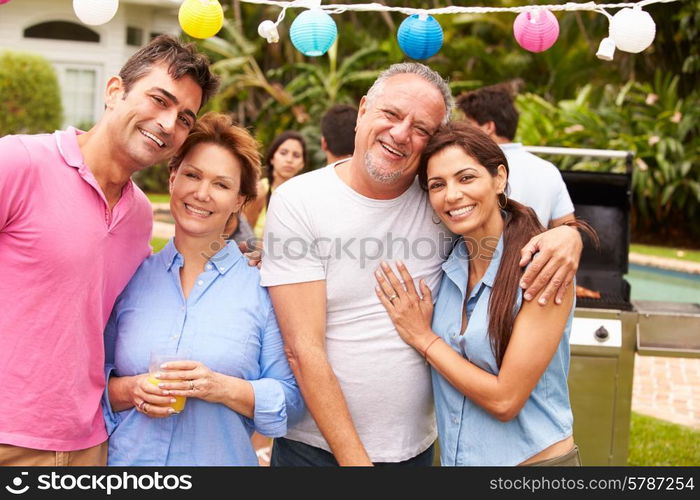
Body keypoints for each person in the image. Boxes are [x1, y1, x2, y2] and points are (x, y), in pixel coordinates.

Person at [260, 62, 583, 466]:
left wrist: (570, 235)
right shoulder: (299, 200)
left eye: (421, 129)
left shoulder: (442, 209)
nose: (400, 134)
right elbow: (301, 348)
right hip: (315, 449)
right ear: (363, 111)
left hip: (418, 451)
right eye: (392, 114)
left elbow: (506, 223)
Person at [0, 35, 218, 466]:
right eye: (159, 99)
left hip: (88, 441)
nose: (168, 124)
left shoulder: (139, 216)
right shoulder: (18, 162)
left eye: (184, 118)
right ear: (115, 91)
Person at [375, 121, 586, 465]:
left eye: (466, 178)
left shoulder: (540, 267)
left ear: (499, 178)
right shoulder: (450, 259)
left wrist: (423, 338)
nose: (452, 195)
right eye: (437, 185)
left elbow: (505, 400)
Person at [102, 112, 303, 466]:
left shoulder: (262, 288)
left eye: (221, 185)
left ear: (240, 201)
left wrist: (220, 388)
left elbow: (291, 400)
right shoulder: (128, 278)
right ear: (172, 178)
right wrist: (130, 390)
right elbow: (90, 381)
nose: (201, 193)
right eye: (192, 175)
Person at [457, 84, 574, 228]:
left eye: (467, 124)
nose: (462, 130)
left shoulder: (470, 167)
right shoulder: (549, 170)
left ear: (488, 127)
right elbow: (568, 230)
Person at [244, 131, 307, 239]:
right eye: (283, 153)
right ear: (272, 158)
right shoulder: (260, 190)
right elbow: (243, 237)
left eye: (296, 155)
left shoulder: (304, 197)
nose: (289, 160)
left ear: (302, 164)